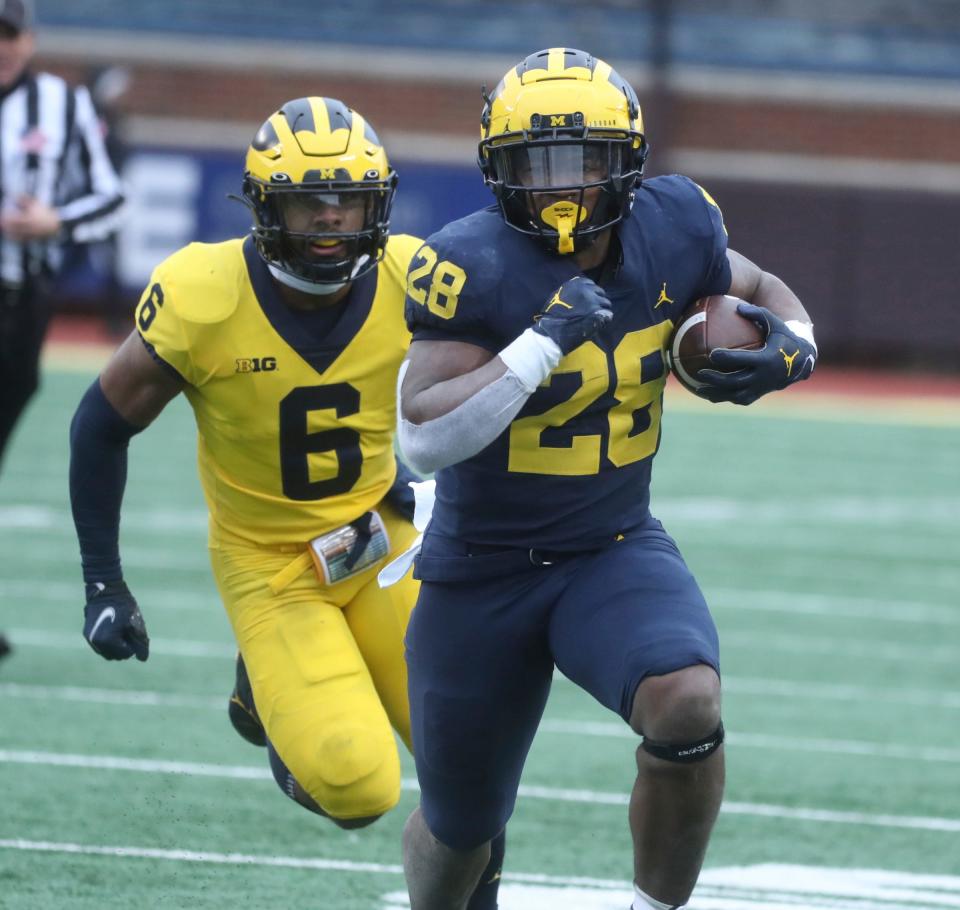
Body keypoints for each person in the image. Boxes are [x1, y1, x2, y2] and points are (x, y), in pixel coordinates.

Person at [394, 48, 817, 910]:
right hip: (482, 567)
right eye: (533, 162)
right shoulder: (467, 261)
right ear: (494, 169)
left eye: (581, 159)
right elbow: (422, 438)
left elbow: (759, 284)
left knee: (688, 699)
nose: (560, 186)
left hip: (609, 546)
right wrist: (539, 344)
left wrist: (797, 342)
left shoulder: (678, 223)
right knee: (461, 823)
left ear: (625, 160)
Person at [68, 96, 504, 908]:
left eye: (350, 199)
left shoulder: (413, 274)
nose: (332, 220)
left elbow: (491, 386)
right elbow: (99, 427)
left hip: (382, 533)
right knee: (359, 785)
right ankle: (267, 691)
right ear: (266, 207)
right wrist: (103, 582)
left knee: (473, 759)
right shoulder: (204, 295)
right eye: (310, 199)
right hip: (271, 566)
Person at [0, 0, 124, 662]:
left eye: (10, 34)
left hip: (23, 304)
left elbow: (110, 196)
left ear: (30, 38)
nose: (2, 47)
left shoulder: (63, 105)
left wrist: (56, 221)